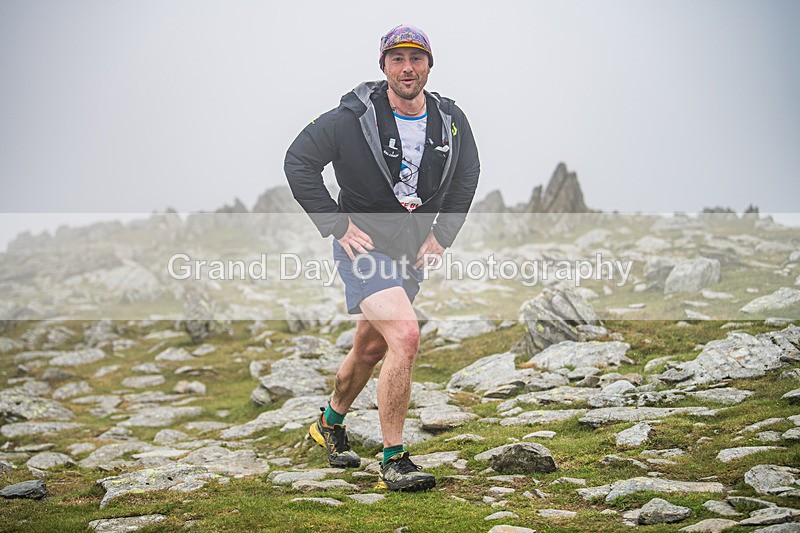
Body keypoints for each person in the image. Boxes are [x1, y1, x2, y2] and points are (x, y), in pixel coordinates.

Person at [284, 24, 480, 492]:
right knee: (406, 336)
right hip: (364, 250)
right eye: (397, 59)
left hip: (409, 254)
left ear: (429, 66)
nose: (407, 68)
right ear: (384, 66)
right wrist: (334, 223)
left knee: (370, 349)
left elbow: (468, 173)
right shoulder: (350, 117)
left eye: (416, 59)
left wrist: (443, 235)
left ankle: (329, 423)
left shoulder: (450, 120)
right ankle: (394, 458)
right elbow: (298, 161)